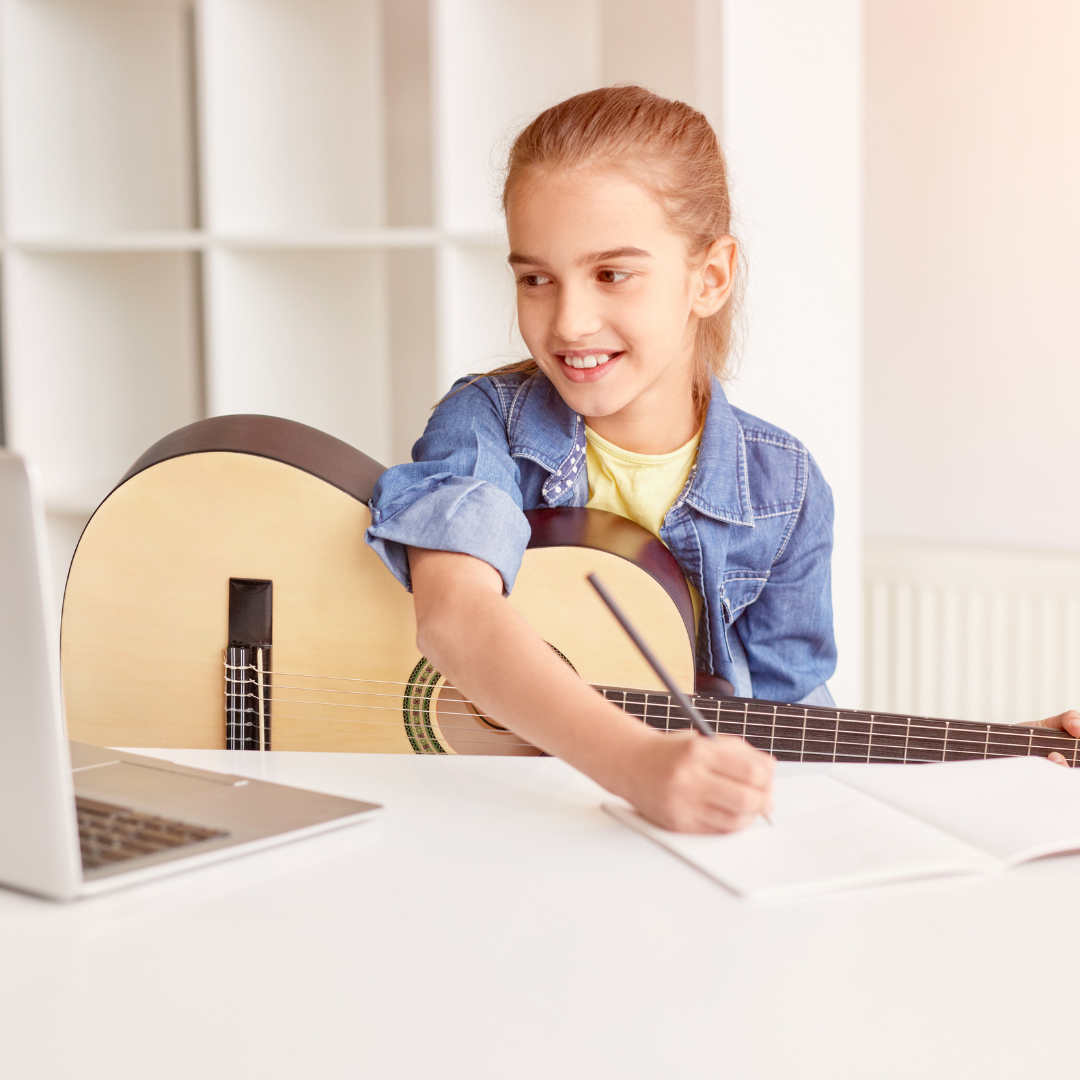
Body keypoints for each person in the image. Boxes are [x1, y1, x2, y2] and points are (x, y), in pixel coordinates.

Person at [366, 86, 1080, 832]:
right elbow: (453, 617)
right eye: (536, 278)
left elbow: (797, 735)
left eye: (612, 273)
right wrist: (635, 763)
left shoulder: (786, 490)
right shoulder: (484, 423)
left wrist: (1009, 756)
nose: (569, 320)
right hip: (486, 824)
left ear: (709, 278)